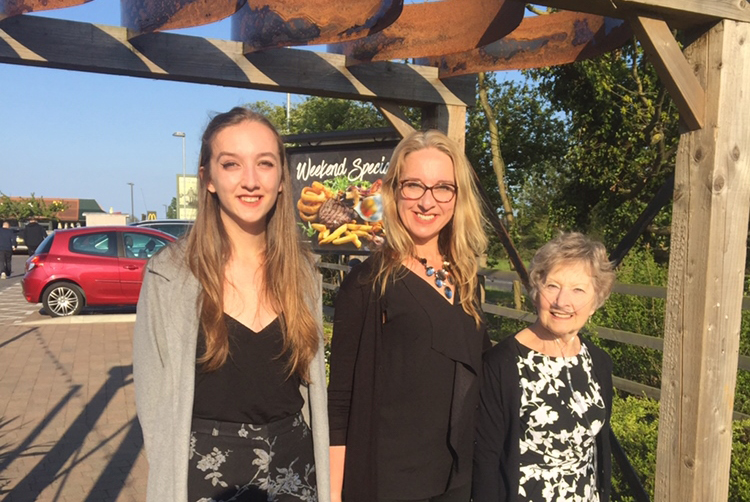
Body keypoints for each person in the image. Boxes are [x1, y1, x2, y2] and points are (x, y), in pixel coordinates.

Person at [133, 107, 330, 502]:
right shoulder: (168, 276)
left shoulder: (303, 273)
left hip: (295, 470)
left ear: (281, 179)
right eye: (231, 164)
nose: (251, 181)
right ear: (207, 178)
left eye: (265, 163)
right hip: (205, 474)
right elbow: (153, 405)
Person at [328, 130, 490, 502]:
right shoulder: (368, 283)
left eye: (443, 188)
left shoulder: (466, 279)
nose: (427, 201)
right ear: (394, 191)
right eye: (414, 185)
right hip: (391, 484)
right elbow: (340, 402)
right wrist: (334, 495)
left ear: (458, 197)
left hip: (456, 481)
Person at [472, 232, 616, 502]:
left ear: (595, 302)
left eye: (578, 290)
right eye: (552, 286)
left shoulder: (598, 363)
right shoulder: (501, 365)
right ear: (536, 292)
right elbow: (485, 463)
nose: (562, 301)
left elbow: (598, 452)